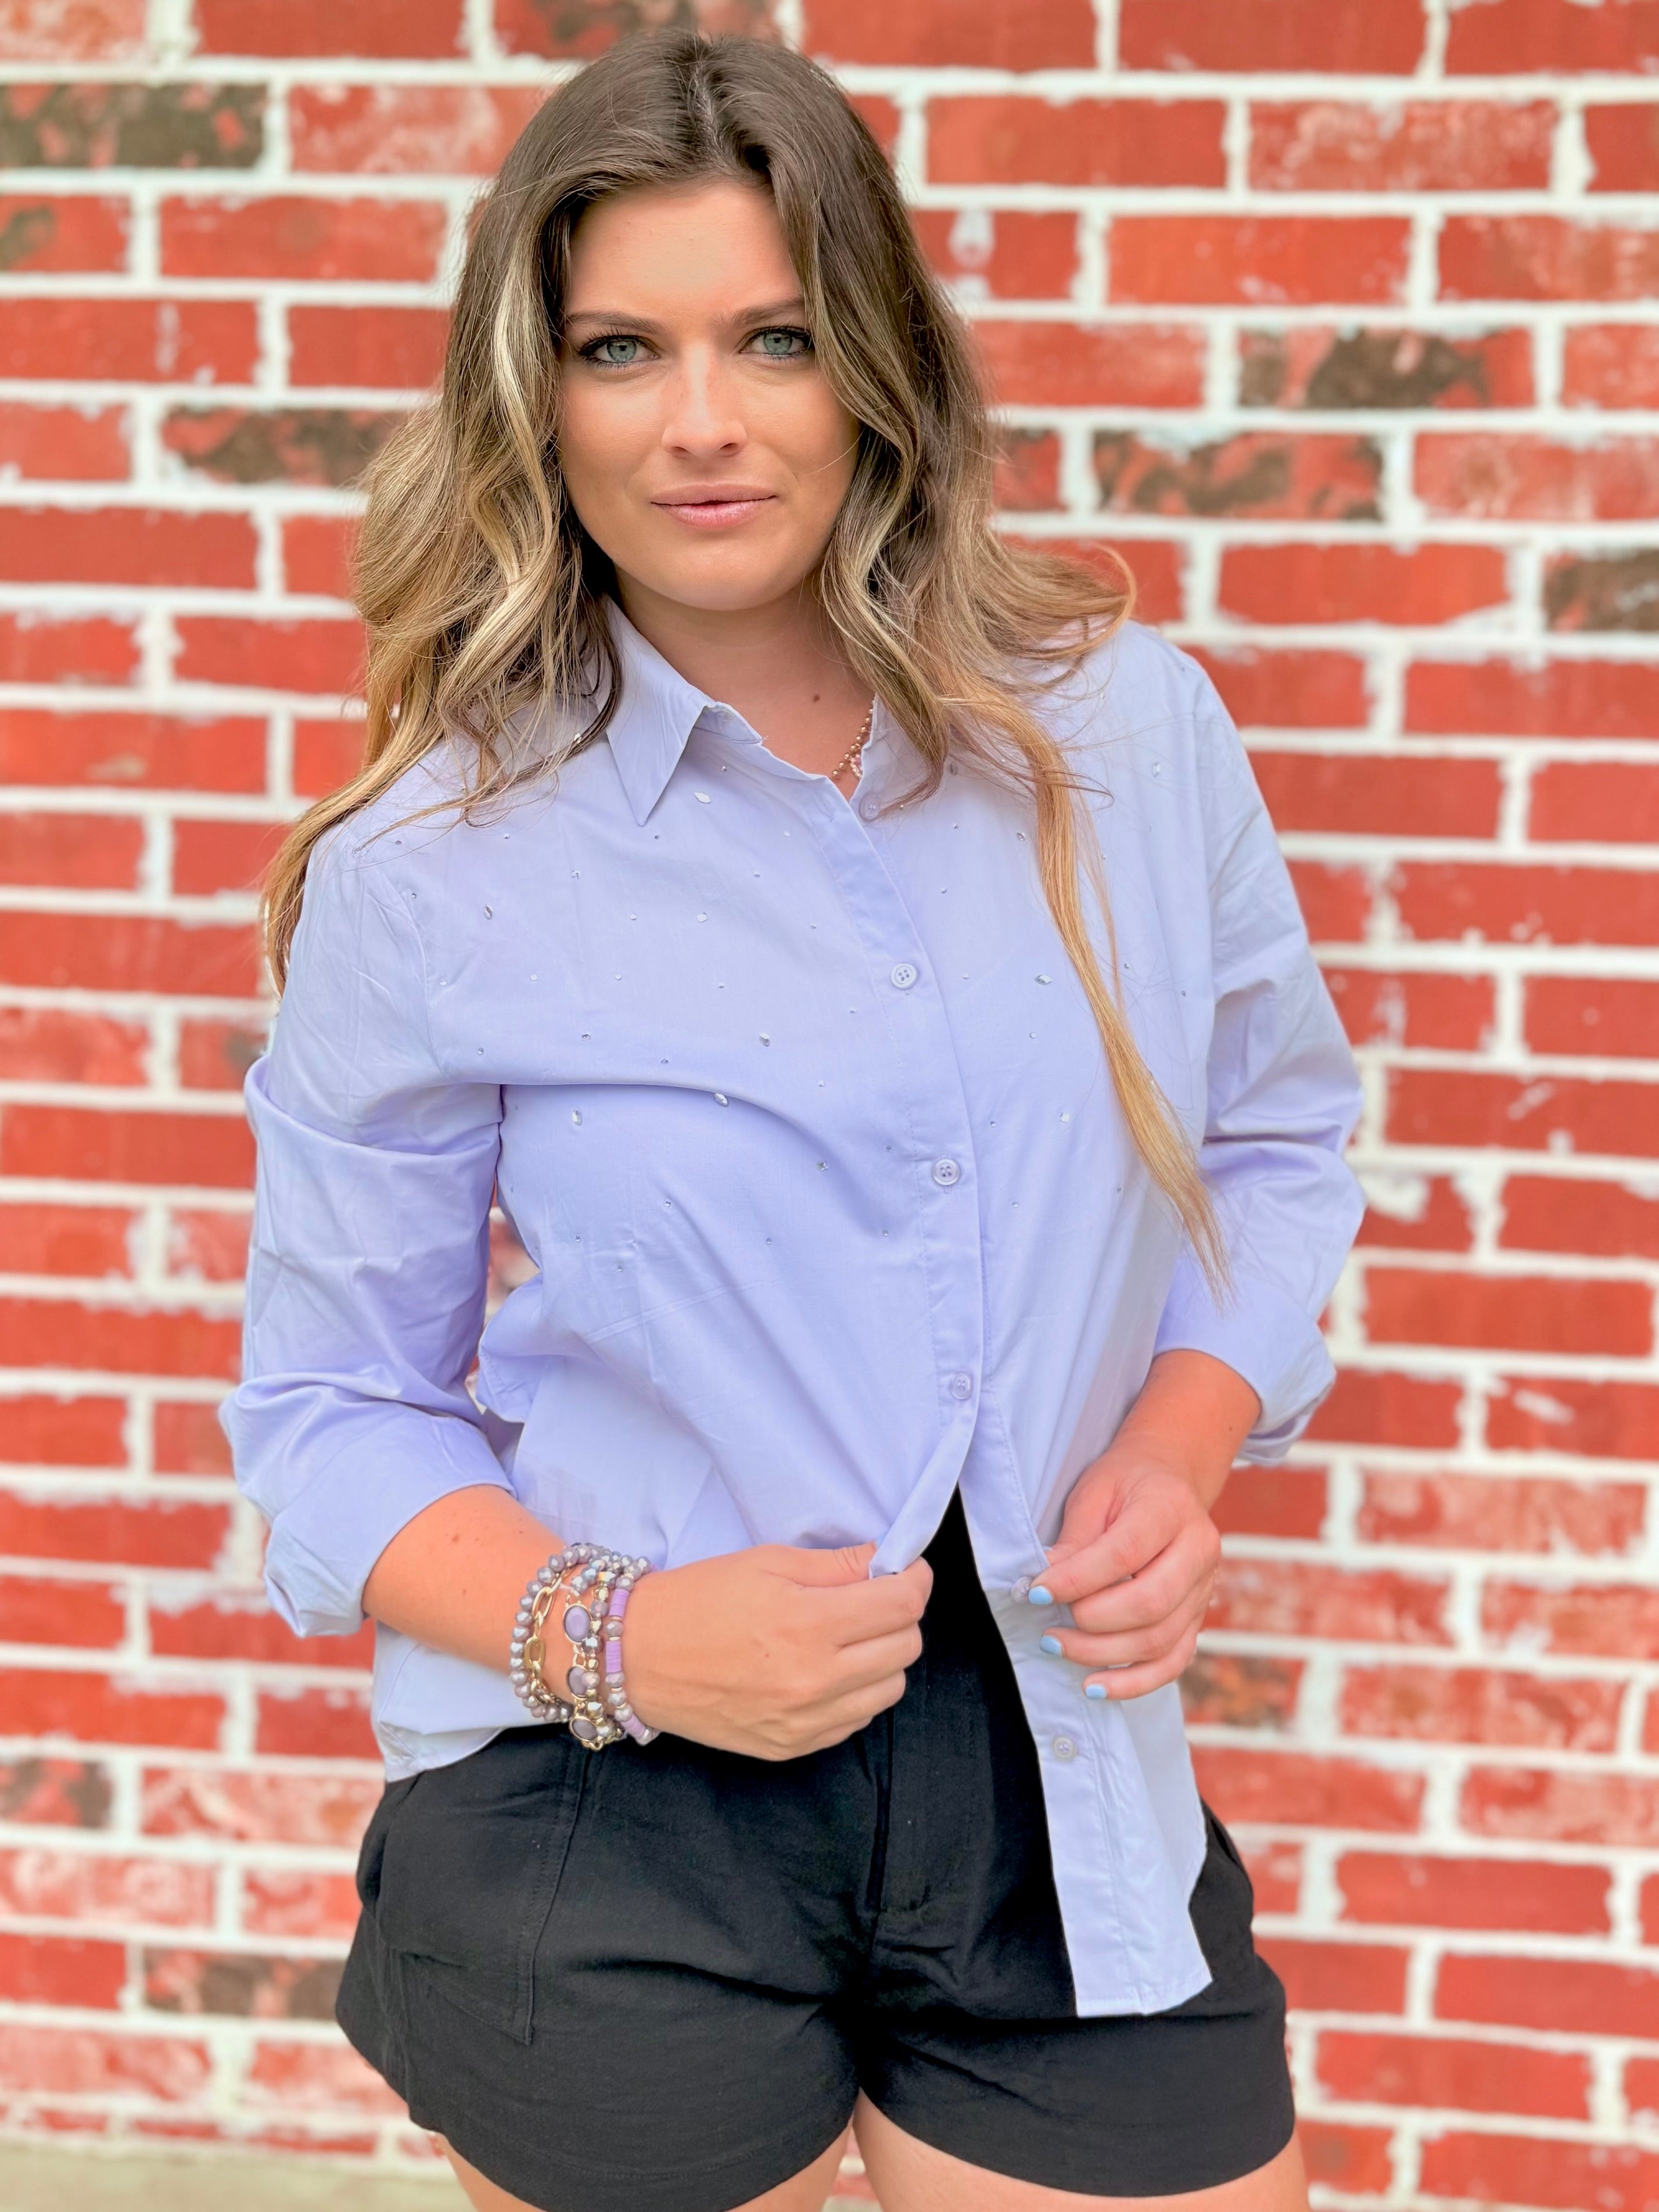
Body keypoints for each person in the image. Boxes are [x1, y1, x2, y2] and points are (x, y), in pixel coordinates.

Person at [225, 31, 1364, 2212]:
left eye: (775, 335)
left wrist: (1180, 1436)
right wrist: (624, 1638)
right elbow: (333, 1403)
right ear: (535, 396)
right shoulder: (436, 862)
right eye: (619, 348)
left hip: (1057, 1764)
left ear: (880, 362)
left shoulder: (1127, 734)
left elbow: (1272, 1144)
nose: (703, 420)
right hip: (613, 1792)